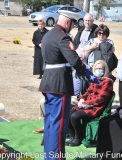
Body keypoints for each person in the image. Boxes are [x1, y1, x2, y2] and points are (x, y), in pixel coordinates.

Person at [39, 10, 86, 160]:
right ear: (68, 22)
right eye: (72, 23)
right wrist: (82, 65)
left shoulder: (48, 35)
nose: (72, 27)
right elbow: (75, 62)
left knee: (50, 124)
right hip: (59, 85)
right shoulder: (62, 37)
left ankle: (49, 156)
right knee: (58, 126)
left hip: (49, 83)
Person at [66, 60, 114, 146]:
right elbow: (88, 92)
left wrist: (87, 103)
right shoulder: (95, 79)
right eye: (97, 68)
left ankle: (78, 137)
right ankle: (73, 136)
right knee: (69, 113)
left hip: (96, 107)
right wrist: (82, 99)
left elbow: (101, 99)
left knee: (75, 116)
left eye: (101, 68)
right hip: (87, 105)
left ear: (105, 69)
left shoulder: (107, 81)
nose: (99, 70)